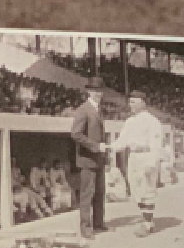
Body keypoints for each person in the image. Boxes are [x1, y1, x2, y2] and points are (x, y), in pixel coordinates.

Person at [113, 90, 166, 231]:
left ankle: (147, 224)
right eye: (130, 102)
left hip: (146, 156)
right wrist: (108, 148)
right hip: (133, 157)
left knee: (147, 189)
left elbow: (156, 144)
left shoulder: (152, 121)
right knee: (136, 190)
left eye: (134, 102)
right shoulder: (130, 121)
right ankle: (147, 220)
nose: (131, 105)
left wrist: (152, 163)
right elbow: (122, 140)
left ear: (143, 103)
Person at [67, 80, 109, 237]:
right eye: (95, 91)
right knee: (87, 194)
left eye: (101, 91)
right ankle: (85, 228)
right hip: (87, 159)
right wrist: (95, 146)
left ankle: (98, 223)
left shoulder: (98, 109)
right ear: (89, 92)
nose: (99, 94)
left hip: (98, 159)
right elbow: (76, 134)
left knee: (100, 192)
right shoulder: (83, 110)